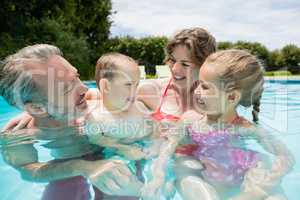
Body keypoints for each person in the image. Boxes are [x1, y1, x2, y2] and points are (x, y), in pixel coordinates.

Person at [0, 44, 142, 200]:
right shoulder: (18, 134)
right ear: (36, 108)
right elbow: (28, 170)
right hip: (66, 165)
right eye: (67, 88)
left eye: (77, 77)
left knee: (124, 187)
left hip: (114, 154)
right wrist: (82, 167)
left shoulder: (95, 100)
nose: (84, 89)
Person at [159, 49, 295, 200]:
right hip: (203, 173)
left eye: (204, 87)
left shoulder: (245, 128)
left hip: (239, 176)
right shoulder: (190, 120)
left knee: (270, 188)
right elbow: (169, 146)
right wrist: (160, 175)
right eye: (198, 84)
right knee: (184, 167)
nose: (196, 91)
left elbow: (285, 155)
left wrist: (271, 178)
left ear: (231, 97)